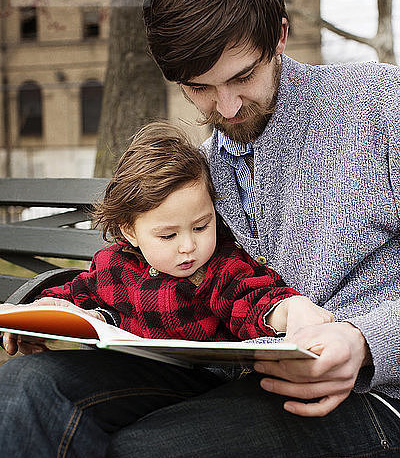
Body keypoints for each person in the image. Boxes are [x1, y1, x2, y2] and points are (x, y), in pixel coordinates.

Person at [0, 0, 399, 458]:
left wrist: (368, 341)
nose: (228, 105)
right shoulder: (201, 172)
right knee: (25, 392)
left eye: (242, 76)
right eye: (200, 88)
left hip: (364, 403)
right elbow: (142, 275)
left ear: (280, 37)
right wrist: (49, 316)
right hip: (215, 386)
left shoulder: (377, 107)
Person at [21, 122, 331, 342]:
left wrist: (289, 312)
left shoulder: (220, 268)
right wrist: (44, 311)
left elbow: (251, 299)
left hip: (205, 387)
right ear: (130, 231)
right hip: (135, 375)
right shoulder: (112, 267)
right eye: (168, 235)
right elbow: (77, 293)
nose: (188, 246)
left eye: (201, 226)